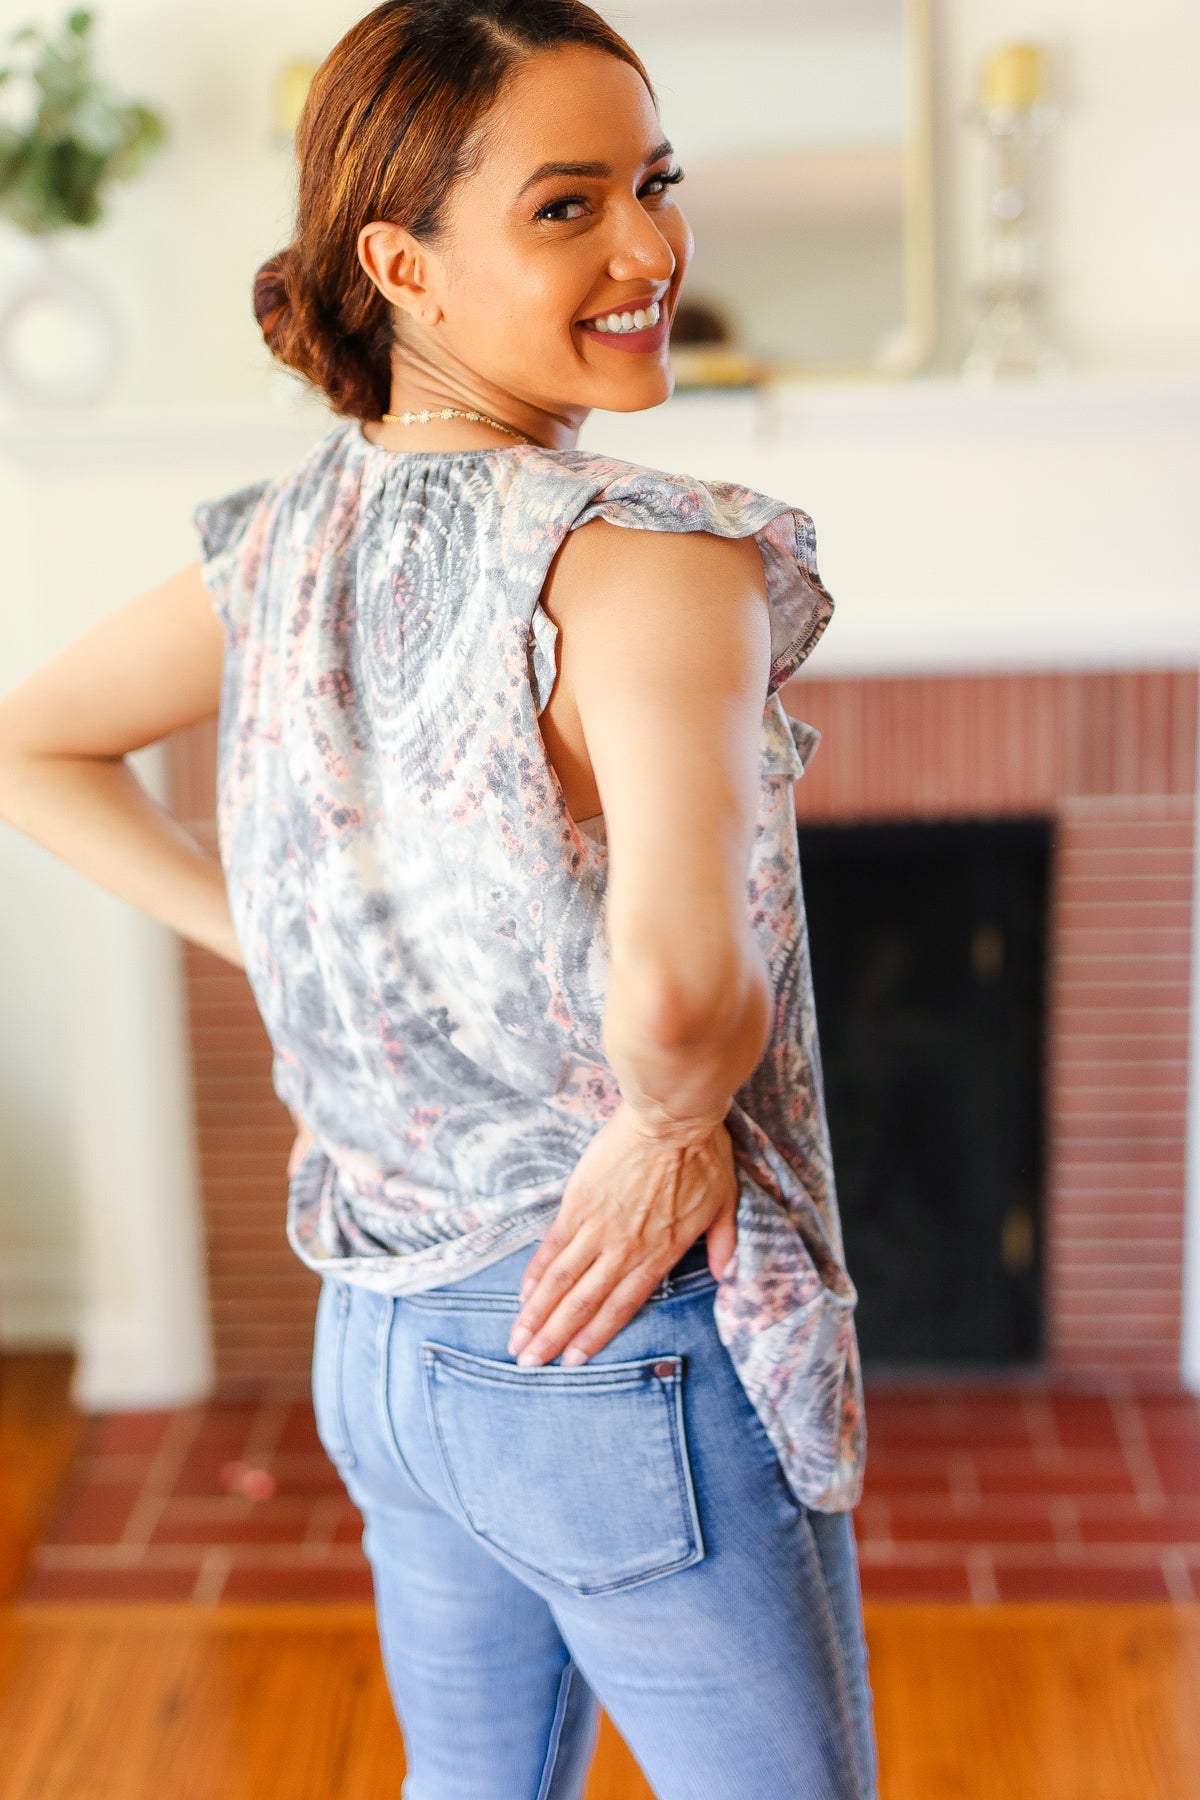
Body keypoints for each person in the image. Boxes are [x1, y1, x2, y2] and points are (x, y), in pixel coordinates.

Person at [0, 3, 877, 1794]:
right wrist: (669, 1113)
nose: (649, 248)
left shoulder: (276, 538)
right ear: (401, 263)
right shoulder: (654, 562)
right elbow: (684, 991)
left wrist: (297, 938)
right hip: (601, 1334)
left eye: (655, 181)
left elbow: (33, 748)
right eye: (568, 206)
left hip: (383, 1342)